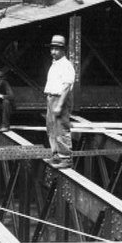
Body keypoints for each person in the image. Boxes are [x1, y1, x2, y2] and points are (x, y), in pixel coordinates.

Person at [44, 34, 76, 168]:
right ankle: (56, 155)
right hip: (52, 98)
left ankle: (66, 158)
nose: (53, 52)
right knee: (51, 128)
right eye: (52, 49)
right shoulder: (55, 64)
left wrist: (60, 104)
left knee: (61, 128)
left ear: (63, 50)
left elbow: (67, 86)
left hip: (60, 99)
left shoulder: (66, 65)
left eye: (57, 49)